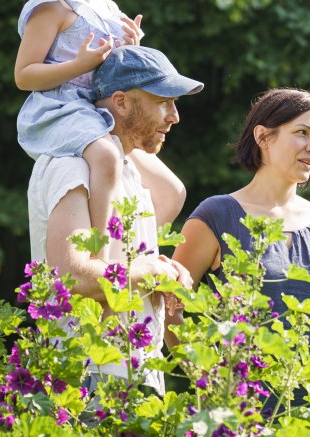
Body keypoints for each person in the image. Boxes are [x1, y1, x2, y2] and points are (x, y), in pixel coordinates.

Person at [172, 88, 310, 402]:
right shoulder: (217, 215)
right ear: (263, 137)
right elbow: (170, 312)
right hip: (245, 417)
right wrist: (206, 378)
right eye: (302, 133)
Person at [27, 45, 204, 395]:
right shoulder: (71, 166)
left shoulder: (127, 172)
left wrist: (161, 269)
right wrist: (154, 272)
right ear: (121, 103)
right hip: (88, 378)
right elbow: (74, 277)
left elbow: (122, 264)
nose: (175, 117)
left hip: (134, 371)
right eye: (163, 101)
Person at [15, 0, 189, 259]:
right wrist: (77, 66)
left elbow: (113, 72)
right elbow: (23, 76)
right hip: (62, 108)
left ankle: (136, 255)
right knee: (107, 157)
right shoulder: (53, 7)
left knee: (170, 190)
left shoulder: (107, 7)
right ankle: (101, 257)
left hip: (99, 109)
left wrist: (131, 52)